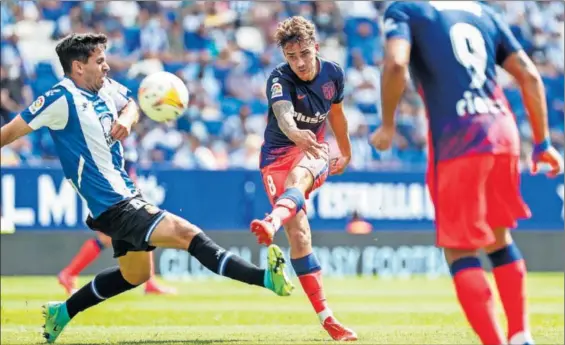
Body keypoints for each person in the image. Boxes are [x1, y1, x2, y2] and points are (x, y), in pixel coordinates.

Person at [0, 33, 294, 344]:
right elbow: (8, 133)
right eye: (99, 61)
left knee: (134, 275)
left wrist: (127, 118)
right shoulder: (60, 99)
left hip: (124, 196)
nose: (106, 67)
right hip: (114, 203)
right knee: (187, 234)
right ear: (77, 67)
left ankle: (63, 313)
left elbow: (131, 104)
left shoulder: (104, 89)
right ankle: (265, 278)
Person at [370, 2, 564, 345]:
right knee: (498, 238)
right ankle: (521, 336)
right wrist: (543, 142)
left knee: (460, 249)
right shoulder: (484, 12)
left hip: (459, 136)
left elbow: (397, 63)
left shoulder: (406, 10)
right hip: (503, 132)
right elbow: (530, 76)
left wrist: (387, 125)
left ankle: (495, 342)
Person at [249, 16, 357, 341]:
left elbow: (337, 115)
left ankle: (271, 222)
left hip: (313, 150)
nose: (299, 63)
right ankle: (328, 320)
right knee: (300, 238)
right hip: (275, 158)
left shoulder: (334, 74)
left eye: (305, 54)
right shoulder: (278, 78)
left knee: (301, 175)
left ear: (316, 48)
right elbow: (283, 115)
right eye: (291, 57)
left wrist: (346, 152)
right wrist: (296, 133)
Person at [57, 135, 176, 295]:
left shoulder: (126, 137)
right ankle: (69, 273)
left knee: (141, 232)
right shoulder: (115, 134)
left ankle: (149, 283)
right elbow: (120, 168)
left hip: (117, 192)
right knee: (111, 237)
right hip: (113, 194)